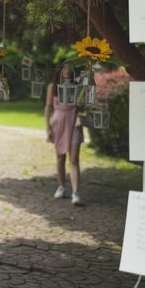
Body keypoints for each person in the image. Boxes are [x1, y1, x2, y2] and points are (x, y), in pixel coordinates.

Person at [45, 62, 84, 206]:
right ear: (59, 70)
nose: (67, 70)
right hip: (58, 124)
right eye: (64, 68)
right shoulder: (52, 87)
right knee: (60, 157)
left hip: (74, 123)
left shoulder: (77, 86)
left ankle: (76, 193)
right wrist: (47, 127)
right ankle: (61, 187)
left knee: (74, 159)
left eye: (70, 68)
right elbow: (48, 107)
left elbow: (83, 107)